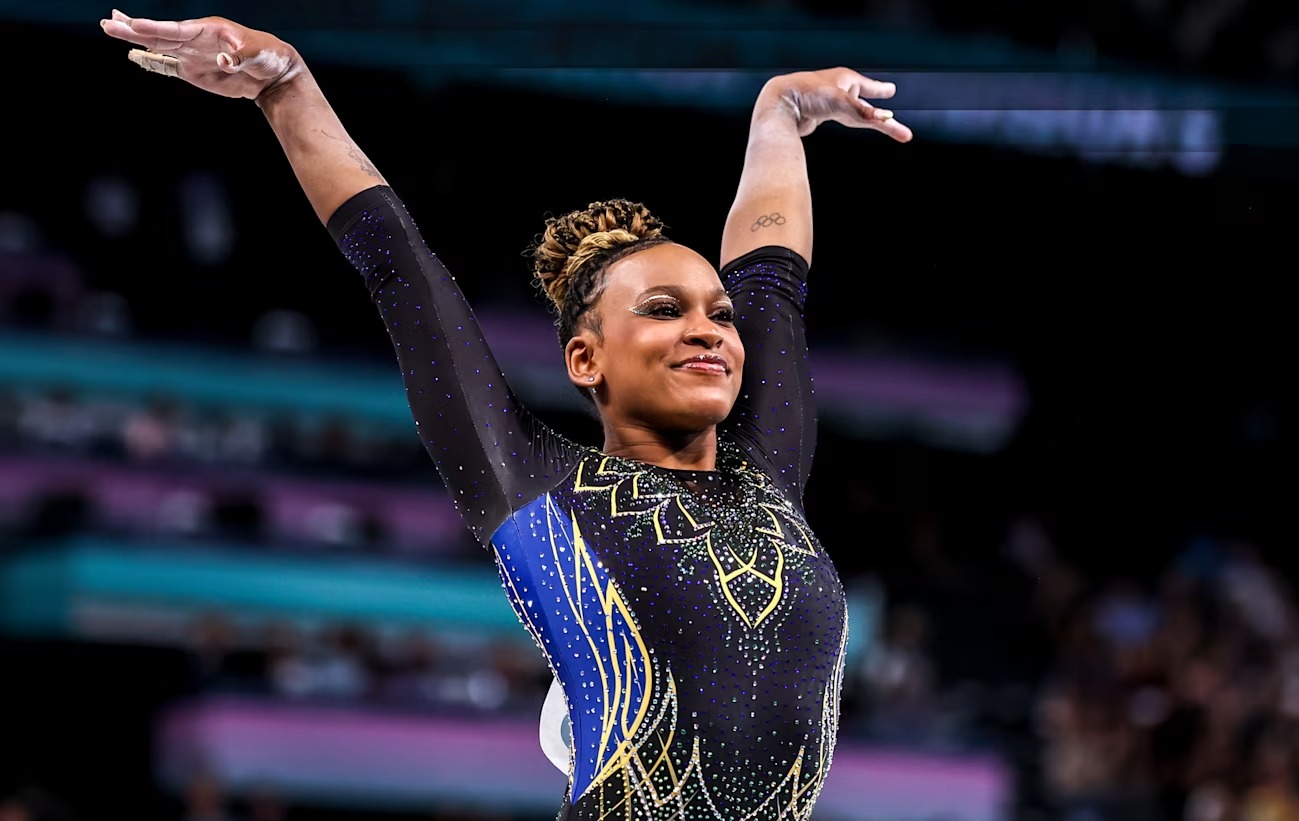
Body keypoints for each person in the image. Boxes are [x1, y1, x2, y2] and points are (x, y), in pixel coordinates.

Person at [100, 10, 912, 819]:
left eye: (719, 316)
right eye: (664, 309)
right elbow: (399, 269)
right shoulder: (538, 489)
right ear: (585, 358)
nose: (709, 329)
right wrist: (286, 87)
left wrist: (781, 115)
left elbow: (771, 282)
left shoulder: (769, 470)